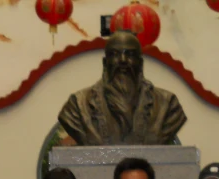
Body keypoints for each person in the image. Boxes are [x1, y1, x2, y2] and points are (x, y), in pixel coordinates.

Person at [58, 31, 186, 146]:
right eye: (114, 54)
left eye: (130, 54)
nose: (123, 60)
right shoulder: (77, 106)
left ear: (140, 64)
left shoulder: (168, 104)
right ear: (105, 63)